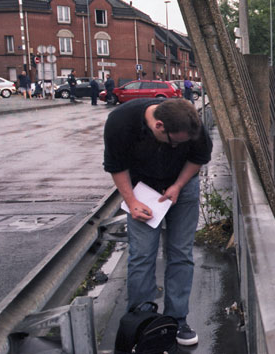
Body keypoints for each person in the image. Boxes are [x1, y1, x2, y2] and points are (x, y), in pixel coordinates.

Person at [103, 98, 212, 346]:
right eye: (176, 143)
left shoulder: (190, 124)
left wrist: (178, 185)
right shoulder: (121, 122)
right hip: (142, 191)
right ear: (159, 126)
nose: (178, 147)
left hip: (181, 188)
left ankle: (176, 320)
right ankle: (141, 320)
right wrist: (131, 202)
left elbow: (199, 157)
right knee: (142, 254)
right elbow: (116, 165)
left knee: (181, 253)